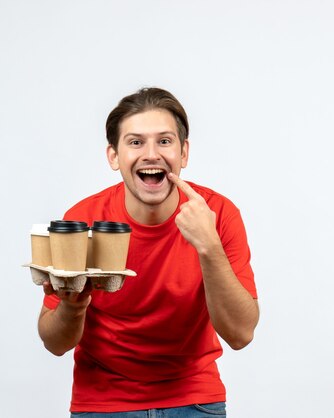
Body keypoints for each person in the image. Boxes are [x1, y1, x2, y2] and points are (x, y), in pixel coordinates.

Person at [37, 87, 259, 417]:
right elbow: (54, 343)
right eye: (136, 142)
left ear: (184, 153)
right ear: (114, 156)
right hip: (102, 404)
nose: (151, 154)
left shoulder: (218, 214)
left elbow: (241, 334)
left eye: (165, 141)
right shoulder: (83, 219)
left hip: (194, 400)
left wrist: (208, 246)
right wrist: (73, 304)